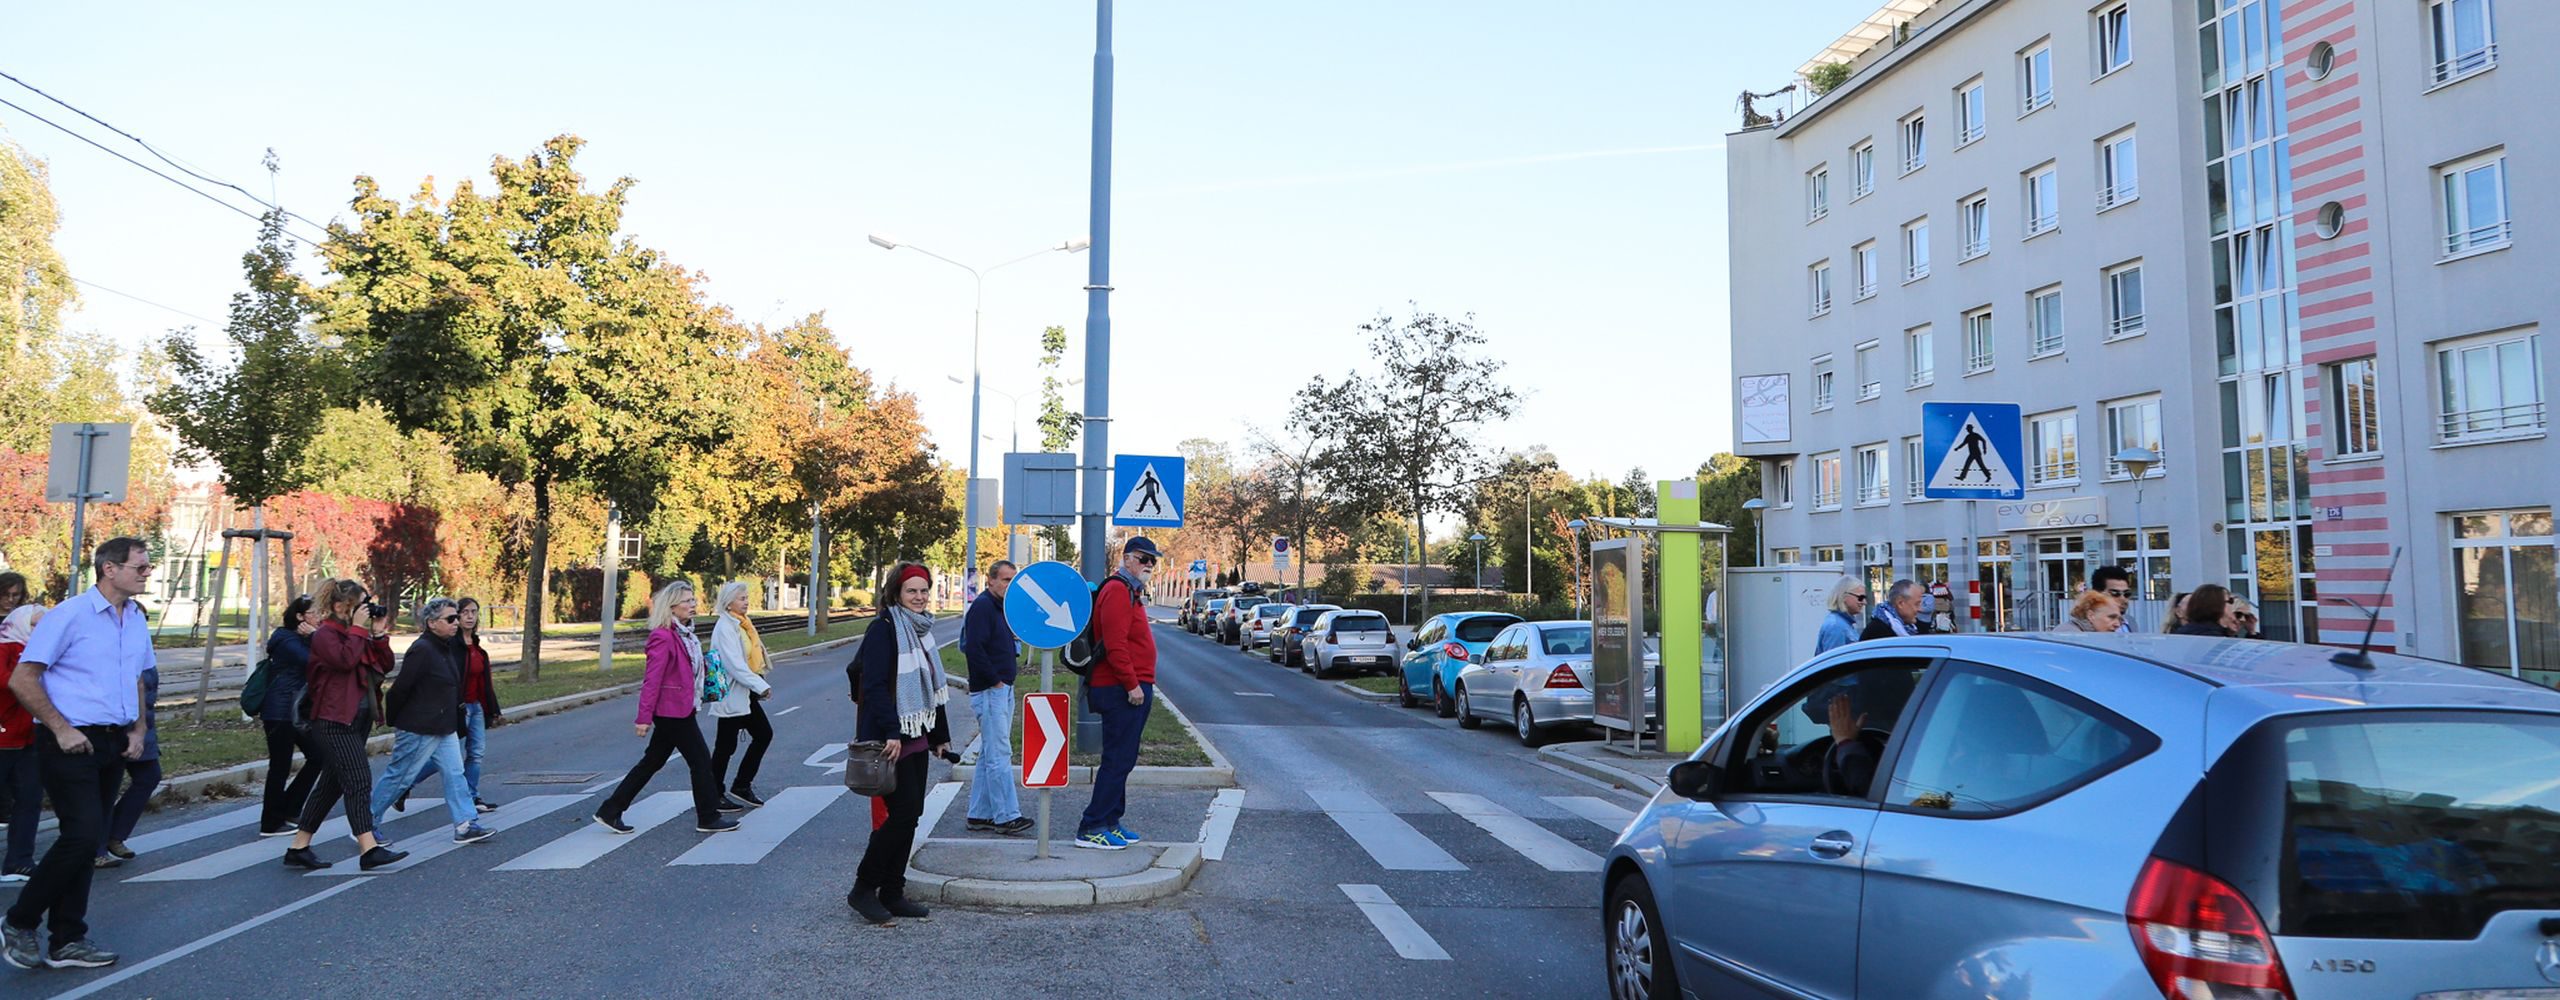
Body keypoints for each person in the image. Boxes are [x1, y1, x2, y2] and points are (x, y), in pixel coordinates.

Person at [3, 538, 156, 971]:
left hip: (112, 740)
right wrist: (60, 727)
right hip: (68, 741)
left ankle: (68, 938)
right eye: (140, 567)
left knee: (88, 840)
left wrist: (139, 728)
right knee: (84, 835)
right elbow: (23, 679)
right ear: (109, 569)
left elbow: (139, 678)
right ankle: (19, 920)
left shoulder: (135, 619)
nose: (147, 573)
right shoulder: (69, 615)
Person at [846, 562, 951, 925]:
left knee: (911, 817)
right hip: (889, 737)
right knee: (901, 815)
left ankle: (893, 891)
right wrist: (892, 730)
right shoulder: (884, 629)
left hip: (917, 735)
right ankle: (863, 888)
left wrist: (939, 736)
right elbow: (874, 685)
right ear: (896, 593)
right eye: (912, 591)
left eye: (924, 590)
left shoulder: (922, 630)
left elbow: (933, 687)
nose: (919, 597)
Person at [595, 581, 742, 837]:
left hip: (681, 708)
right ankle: (708, 816)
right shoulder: (662, 637)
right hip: (672, 711)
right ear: (671, 607)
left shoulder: (685, 634)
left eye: (693, 600)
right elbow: (652, 680)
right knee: (701, 761)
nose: (693, 604)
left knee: (652, 761)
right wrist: (643, 718)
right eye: (687, 601)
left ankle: (610, 810)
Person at [281, 580, 407, 873]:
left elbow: (385, 664)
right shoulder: (326, 635)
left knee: (332, 785)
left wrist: (378, 634)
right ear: (340, 607)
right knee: (359, 781)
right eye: (359, 605)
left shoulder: (357, 634)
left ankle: (298, 847)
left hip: (357, 719)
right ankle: (368, 849)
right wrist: (361, 630)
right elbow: (345, 660)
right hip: (333, 721)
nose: (365, 610)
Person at [368, 598, 493, 845]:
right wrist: (395, 720)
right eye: (450, 619)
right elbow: (400, 689)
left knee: (455, 774)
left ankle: (465, 824)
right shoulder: (423, 649)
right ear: (432, 623)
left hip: (443, 726)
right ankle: (366, 824)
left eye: (456, 617)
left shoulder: (445, 647)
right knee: (400, 777)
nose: (456, 622)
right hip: (419, 727)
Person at [1076, 537, 1162, 852]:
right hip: (1119, 688)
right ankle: (1092, 826)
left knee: (1123, 758)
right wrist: (1131, 684)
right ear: (1126, 559)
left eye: (1153, 560)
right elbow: (1115, 644)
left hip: (1129, 685)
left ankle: (1111, 820)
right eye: (1143, 558)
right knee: (1117, 759)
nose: (1149, 564)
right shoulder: (1116, 590)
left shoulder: (1131, 591)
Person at [406, 597, 501, 814]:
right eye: (464, 612)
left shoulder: (476, 646)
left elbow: (484, 682)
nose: (469, 616)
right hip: (457, 707)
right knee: (446, 758)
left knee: (476, 752)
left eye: (474, 612)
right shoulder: (451, 645)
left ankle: (472, 796)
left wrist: (492, 709)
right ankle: (406, 783)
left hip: (475, 707)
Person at [962, 561, 1031, 836]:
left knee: (990, 752)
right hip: (992, 691)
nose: (1009, 585)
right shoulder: (982, 607)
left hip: (1001, 689)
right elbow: (972, 648)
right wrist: (995, 681)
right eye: (1004, 580)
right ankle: (1006, 816)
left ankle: (978, 814)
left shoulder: (1000, 607)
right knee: (1000, 754)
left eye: (1013, 580)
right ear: (990, 581)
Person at [257, 596, 324, 836]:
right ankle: (270, 822)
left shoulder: (301, 638)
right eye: (314, 612)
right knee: (280, 766)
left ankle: (289, 808)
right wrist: (316, 636)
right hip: (279, 711)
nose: (319, 617)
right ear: (299, 616)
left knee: (318, 756)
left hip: (295, 711)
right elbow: (314, 662)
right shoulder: (285, 639)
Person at [707, 582, 776, 807]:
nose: (746, 601)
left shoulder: (743, 624)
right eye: (741, 598)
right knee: (726, 745)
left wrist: (757, 682)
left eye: (746, 597)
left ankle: (740, 786)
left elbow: (749, 657)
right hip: (731, 692)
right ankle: (715, 793)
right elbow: (734, 664)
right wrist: (760, 686)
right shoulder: (725, 627)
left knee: (760, 735)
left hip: (744, 692)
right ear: (728, 603)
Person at [90, 664, 160, 869]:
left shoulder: (139, 642)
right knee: (104, 789)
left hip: (141, 725)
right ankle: (97, 848)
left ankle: (114, 835)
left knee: (149, 776)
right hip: (118, 726)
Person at [0, 604, 43, 883]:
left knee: (29, 799)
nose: (43, 631)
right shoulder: (6, 647)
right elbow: (12, 682)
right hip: (4, 737)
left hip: (27, 737)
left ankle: (19, 860)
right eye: (37, 625)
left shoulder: (37, 651)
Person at [1815, 576, 1869, 654]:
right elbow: (1834, 662)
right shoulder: (1836, 626)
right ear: (1844, 596)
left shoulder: (1843, 624)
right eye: (1860, 597)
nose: (1864, 602)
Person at [1860, 580, 1925, 640]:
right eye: (1917, 604)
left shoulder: (1909, 628)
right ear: (1900, 603)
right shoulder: (1878, 632)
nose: (1920, 609)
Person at [2089, 566, 2136, 633]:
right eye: (2115, 593)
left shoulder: (2130, 622)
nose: (2123, 599)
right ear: (2097, 595)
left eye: (2126, 593)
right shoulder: (2076, 630)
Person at [2054, 590, 2126, 633]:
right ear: (2091, 615)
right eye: (2112, 617)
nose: (2118, 624)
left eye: (2120, 619)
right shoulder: (2070, 635)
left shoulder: (2093, 636)